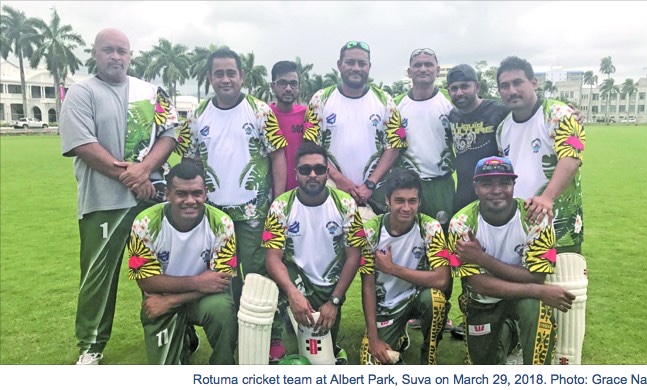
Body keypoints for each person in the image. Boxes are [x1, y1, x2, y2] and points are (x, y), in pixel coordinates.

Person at [59, 28, 178, 365]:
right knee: (99, 276)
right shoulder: (81, 92)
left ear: (130, 56)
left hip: (152, 198)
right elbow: (82, 144)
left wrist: (146, 170)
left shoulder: (149, 91)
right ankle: (91, 346)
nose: (115, 57)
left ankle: (178, 335)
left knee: (166, 269)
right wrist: (132, 175)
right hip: (104, 201)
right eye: (108, 50)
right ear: (94, 54)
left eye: (121, 51)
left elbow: (170, 133)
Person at [182, 47, 288, 326]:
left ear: (242, 76)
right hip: (213, 216)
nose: (225, 79)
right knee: (221, 277)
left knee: (259, 275)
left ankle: (269, 335)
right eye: (219, 74)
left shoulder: (259, 111)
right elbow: (188, 162)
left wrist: (277, 203)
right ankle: (231, 334)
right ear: (210, 78)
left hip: (256, 214)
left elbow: (278, 155)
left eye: (231, 73)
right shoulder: (196, 115)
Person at [447, 156, 575, 365]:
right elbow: (479, 283)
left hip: (523, 297)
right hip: (483, 301)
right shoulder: (461, 224)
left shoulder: (535, 218)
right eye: (487, 184)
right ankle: (511, 332)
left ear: (514, 185)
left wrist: (482, 259)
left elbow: (535, 276)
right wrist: (539, 290)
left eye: (504, 183)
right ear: (476, 187)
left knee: (535, 308)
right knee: (483, 365)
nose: (496, 190)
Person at [263, 142, 366, 365]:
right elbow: (272, 258)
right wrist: (292, 293)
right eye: (305, 169)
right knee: (295, 352)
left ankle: (330, 345)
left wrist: (335, 302)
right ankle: (278, 339)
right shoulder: (281, 206)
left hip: (329, 289)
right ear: (296, 173)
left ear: (328, 173)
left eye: (319, 169)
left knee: (321, 355)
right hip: (295, 282)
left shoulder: (345, 204)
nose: (312, 175)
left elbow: (354, 256)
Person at [127, 162, 238, 364]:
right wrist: (198, 282)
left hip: (200, 299)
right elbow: (146, 282)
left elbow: (220, 281)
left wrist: (172, 301)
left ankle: (224, 367)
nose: (190, 201)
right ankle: (185, 336)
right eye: (181, 194)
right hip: (160, 298)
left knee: (222, 308)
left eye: (197, 193)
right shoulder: (143, 224)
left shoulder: (222, 224)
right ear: (167, 194)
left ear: (206, 193)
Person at [394, 48, 461, 336]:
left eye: (428, 64)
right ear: (409, 71)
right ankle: (410, 309)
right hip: (409, 187)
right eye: (417, 65)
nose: (423, 69)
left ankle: (441, 311)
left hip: (441, 185)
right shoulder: (397, 108)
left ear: (437, 70)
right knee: (410, 249)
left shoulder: (449, 107)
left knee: (441, 249)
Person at [359, 169, 452, 365]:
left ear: (419, 201)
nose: (406, 208)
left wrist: (392, 269)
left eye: (412, 201)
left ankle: (429, 356)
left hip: (416, 297)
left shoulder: (430, 228)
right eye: (399, 200)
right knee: (371, 365)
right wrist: (373, 338)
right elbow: (367, 286)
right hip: (386, 307)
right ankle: (398, 335)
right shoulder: (370, 232)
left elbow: (442, 280)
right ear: (387, 200)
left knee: (435, 300)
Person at [304, 40, 407, 214]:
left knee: (374, 240)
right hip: (331, 190)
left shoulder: (385, 101)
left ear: (369, 66)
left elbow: (395, 146)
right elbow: (311, 147)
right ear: (339, 65)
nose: (356, 68)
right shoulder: (320, 99)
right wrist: (340, 180)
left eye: (362, 63)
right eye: (350, 62)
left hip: (375, 193)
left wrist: (370, 184)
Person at [494, 56, 585, 254]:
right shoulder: (502, 129)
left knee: (565, 283)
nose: (512, 91)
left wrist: (547, 198)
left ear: (534, 83)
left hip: (558, 224)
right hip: (519, 225)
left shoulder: (558, 113)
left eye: (518, 82)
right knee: (523, 283)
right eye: (505, 86)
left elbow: (572, 157)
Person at [446, 64, 509, 213]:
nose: (459, 92)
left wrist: (573, 112)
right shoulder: (452, 116)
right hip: (464, 193)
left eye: (465, 86)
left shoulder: (500, 111)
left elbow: (530, 114)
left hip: (495, 193)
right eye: (454, 88)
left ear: (477, 87)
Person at [269, 60, 308, 192]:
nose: (288, 88)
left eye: (293, 84)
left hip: (302, 193)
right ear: (272, 86)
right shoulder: (263, 116)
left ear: (299, 87)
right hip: (270, 194)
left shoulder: (307, 116)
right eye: (282, 83)